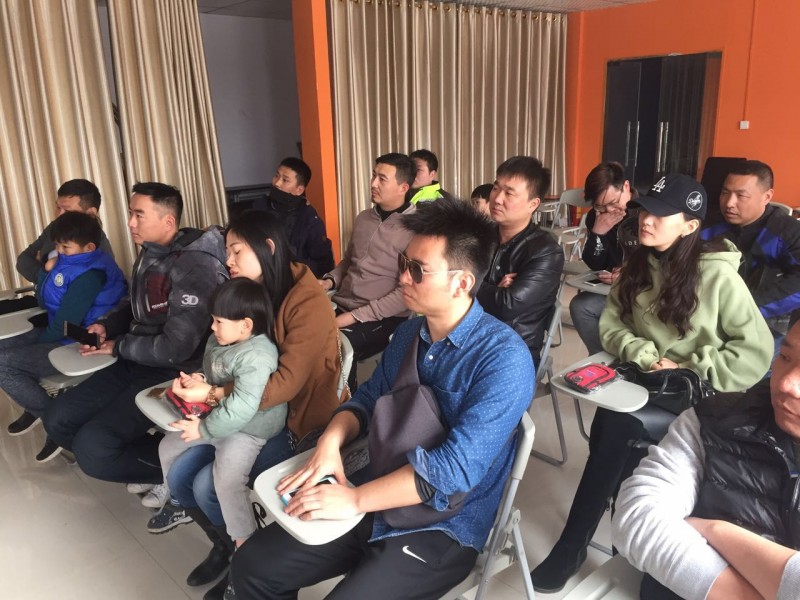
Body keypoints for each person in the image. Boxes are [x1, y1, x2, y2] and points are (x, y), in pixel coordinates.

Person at [231, 196, 535, 600]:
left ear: (461, 283)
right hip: (377, 483)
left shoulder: (504, 359)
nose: (402, 278)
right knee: (252, 566)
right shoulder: (409, 333)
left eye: (417, 270)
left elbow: (451, 473)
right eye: (403, 263)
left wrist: (355, 499)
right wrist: (330, 444)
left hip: (442, 524)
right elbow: (368, 400)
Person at [530, 173, 774, 593]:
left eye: (662, 215)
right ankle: (619, 538)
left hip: (699, 395)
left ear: (690, 225)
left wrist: (688, 366)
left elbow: (756, 352)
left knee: (616, 427)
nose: (647, 220)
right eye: (646, 210)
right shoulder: (640, 263)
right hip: (648, 380)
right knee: (615, 427)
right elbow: (611, 323)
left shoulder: (718, 276)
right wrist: (643, 355)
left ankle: (574, 545)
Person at [148, 211, 344, 599]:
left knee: (207, 485)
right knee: (180, 472)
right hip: (249, 411)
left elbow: (285, 385)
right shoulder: (255, 287)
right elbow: (225, 351)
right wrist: (201, 381)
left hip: (295, 421)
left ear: (266, 248)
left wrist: (212, 394)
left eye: (236, 251)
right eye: (228, 251)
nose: (228, 261)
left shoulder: (306, 301)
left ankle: (247, 564)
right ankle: (227, 546)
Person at [41, 182, 228, 468]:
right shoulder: (152, 252)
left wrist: (118, 346)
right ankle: (148, 461)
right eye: (131, 213)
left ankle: (173, 473)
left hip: (172, 370)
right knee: (58, 418)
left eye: (139, 215)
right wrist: (107, 326)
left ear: (168, 222)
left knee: (93, 447)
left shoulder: (194, 265)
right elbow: (135, 302)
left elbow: (176, 348)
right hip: (135, 358)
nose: (130, 223)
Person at [612, 323, 800, 600]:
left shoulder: (721, 292)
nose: (786, 385)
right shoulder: (709, 421)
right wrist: (647, 356)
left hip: (692, 381)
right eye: (784, 357)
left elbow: (749, 348)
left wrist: (717, 531)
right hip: (664, 379)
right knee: (614, 422)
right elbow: (638, 516)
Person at [159, 278, 285, 552]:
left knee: (228, 480)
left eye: (218, 321)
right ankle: (178, 501)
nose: (212, 327)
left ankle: (243, 542)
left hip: (249, 429)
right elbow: (214, 373)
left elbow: (242, 406)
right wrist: (199, 379)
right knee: (167, 445)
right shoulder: (222, 339)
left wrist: (203, 430)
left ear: (246, 325)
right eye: (213, 320)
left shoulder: (257, 356)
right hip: (217, 416)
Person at [0, 211, 127, 459]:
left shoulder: (90, 275)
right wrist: (47, 270)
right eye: (57, 245)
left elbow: (65, 325)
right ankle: (43, 411)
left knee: (3, 364)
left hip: (80, 340)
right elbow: (47, 297)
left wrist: (35, 346)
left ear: (89, 247)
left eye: (65, 247)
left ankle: (55, 423)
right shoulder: (71, 261)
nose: (58, 251)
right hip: (60, 329)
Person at [319, 153, 416, 388]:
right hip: (343, 302)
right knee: (299, 330)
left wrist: (353, 317)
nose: (373, 183)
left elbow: (405, 294)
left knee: (334, 347)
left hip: (385, 316)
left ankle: (347, 406)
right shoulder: (364, 218)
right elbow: (349, 262)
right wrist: (329, 282)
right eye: (374, 175)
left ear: (403, 187)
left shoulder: (416, 230)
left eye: (382, 179)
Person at [701, 160, 800, 355]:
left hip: (766, 316)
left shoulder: (786, 231)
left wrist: (748, 307)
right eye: (725, 193)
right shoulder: (709, 224)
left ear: (767, 197)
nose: (729, 203)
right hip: (710, 311)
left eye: (741, 195)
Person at [477, 156, 564, 362]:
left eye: (509, 193)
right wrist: (494, 289)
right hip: (469, 336)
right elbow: (447, 279)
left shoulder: (546, 252)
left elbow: (506, 306)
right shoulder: (479, 235)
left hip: (510, 350)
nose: (497, 199)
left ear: (533, 204)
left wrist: (468, 283)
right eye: (496, 188)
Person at [2, 178, 114, 315]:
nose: (59, 215)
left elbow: (78, 289)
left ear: (90, 213)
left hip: (69, 311)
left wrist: (46, 271)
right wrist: (47, 275)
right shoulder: (54, 228)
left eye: (67, 210)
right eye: (58, 208)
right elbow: (23, 260)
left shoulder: (96, 245)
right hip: (42, 299)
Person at [569, 162, 639, 354]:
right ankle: (602, 359)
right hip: (611, 290)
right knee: (580, 306)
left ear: (626, 187)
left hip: (643, 291)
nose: (608, 211)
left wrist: (630, 274)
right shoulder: (596, 217)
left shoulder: (646, 214)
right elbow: (595, 264)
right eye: (600, 206)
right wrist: (598, 233)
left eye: (614, 203)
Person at [251, 157, 335, 278]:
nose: (277, 183)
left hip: (294, 278)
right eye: (276, 176)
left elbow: (322, 264)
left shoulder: (309, 220)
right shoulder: (259, 206)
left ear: (299, 190)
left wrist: (290, 270)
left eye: (285, 180)